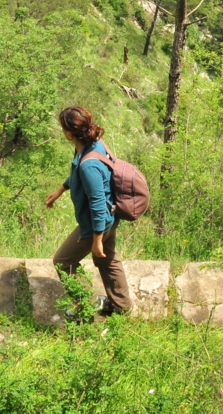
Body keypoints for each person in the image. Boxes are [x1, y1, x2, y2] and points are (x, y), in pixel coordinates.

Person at [45, 106, 133, 316]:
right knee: (109, 261)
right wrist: (61, 188)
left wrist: (96, 240)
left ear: (69, 133)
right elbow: (84, 175)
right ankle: (122, 309)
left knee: (63, 262)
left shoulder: (88, 164)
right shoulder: (94, 144)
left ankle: (88, 303)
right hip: (111, 214)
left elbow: (96, 202)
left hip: (98, 222)